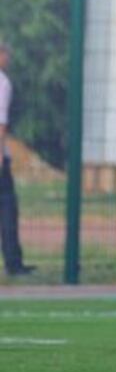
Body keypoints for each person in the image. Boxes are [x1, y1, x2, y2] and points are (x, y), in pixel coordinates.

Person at [0, 43, 32, 277]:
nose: (8, 58)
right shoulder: (2, 83)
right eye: (6, 54)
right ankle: (14, 263)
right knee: (8, 208)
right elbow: (0, 123)